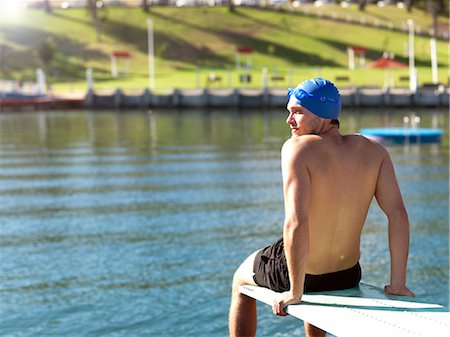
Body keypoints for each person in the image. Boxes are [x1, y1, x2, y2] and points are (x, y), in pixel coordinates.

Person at [228, 78, 415, 337]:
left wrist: (295, 292)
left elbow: (296, 221)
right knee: (308, 267)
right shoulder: (375, 151)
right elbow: (398, 215)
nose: (289, 120)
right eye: (289, 112)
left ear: (323, 114)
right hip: (347, 274)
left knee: (239, 280)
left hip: (305, 277)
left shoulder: (297, 148)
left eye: (297, 112)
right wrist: (398, 284)